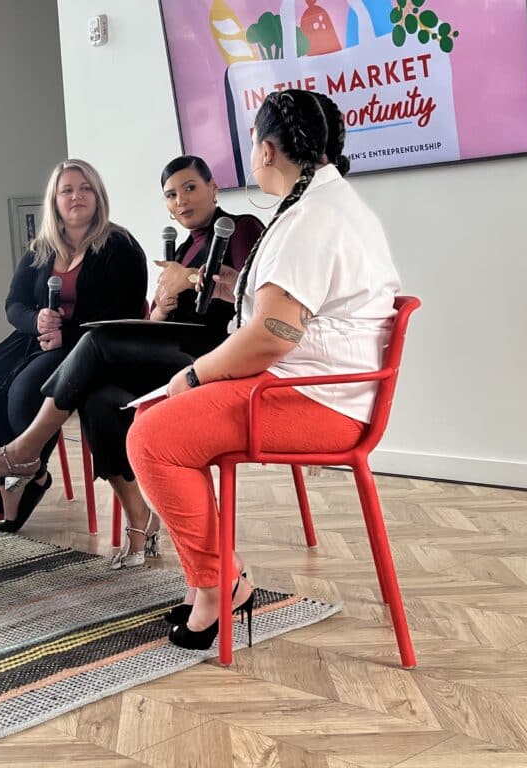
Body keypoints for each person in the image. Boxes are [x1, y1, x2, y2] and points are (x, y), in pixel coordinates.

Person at [127, 89, 400, 650]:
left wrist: (197, 375)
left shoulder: (312, 218)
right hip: (312, 389)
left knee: (152, 438)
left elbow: (272, 337)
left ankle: (219, 585)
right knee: (158, 418)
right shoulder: (328, 206)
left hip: (314, 400)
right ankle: (220, 579)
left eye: (252, 141)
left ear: (268, 149)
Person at [0, 156, 263, 566]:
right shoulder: (187, 247)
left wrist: (186, 281)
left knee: (96, 341)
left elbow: (251, 293)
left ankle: (24, 450)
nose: (181, 201)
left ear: (213, 188)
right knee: (100, 400)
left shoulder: (241, 228)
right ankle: (140, 522)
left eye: (190, 188)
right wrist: (163, 309)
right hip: (176, 351)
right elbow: (151, 321)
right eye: (171, 195)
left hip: (215, 357)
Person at [0, 159, 147, 529]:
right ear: (54, 200)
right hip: (33, 339)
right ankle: (25, 478)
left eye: (85, 188)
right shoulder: (40, 249)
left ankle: (26, 472)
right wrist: (35, 320)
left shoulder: (121, 246)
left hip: (88, 347)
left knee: (24, 393)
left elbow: (124, 313)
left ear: (98, 195)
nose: (76, 196)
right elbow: (13, 304)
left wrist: (65, 333)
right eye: (67, 190)